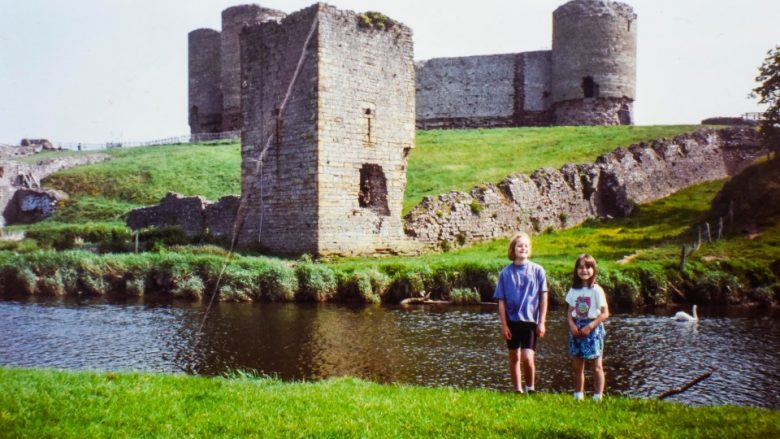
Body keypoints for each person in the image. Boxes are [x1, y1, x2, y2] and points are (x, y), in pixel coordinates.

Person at [493, 231, 548, 393]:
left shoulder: (538, 270)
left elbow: (543, 297)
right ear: (513, 249)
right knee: (513, 357)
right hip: (511, 322)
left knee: (527, 357)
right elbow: (501, 301)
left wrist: (542, 322)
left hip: (530, 321)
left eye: (526, 246)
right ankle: (518, 390)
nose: (522, 248)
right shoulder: (505, 273)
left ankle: (530, 388)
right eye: (519, 246)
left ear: (529, 249)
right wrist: (504, 325)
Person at [565, 254, 610, 401]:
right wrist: (572, 325)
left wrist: (590, 327)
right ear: (576, 270)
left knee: (596, 365)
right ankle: (578, 396)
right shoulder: (574, 290)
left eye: (588, 267)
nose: (584, 270)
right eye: (580, 267)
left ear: (593, 270)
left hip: (593, 327)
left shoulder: (596, 290)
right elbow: (569, 312)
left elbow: (605, 313)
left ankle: (598, 397)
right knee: (577, 366)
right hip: (576, 328)